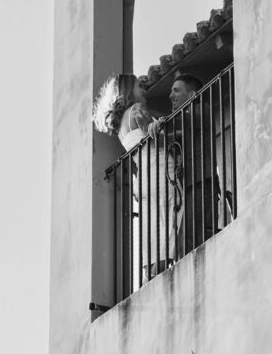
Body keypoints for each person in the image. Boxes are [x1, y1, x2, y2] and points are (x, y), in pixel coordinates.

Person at [93, 74, 178, 280]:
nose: (145, 90)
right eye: (140, 86)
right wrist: (166, 129)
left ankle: (152, 269)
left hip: (143, 176)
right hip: (160, 168)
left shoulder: (121, 126)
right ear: (128, 90)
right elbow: (154, 134)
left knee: (152, 221)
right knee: (172, 212)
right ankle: (168, 261)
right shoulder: (137, 110)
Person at [150, 73, 217, 257]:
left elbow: (186, 120)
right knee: (188, 240)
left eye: (176, 90)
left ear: (193, 94)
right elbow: (173, 140)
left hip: (203, 182)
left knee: (189, 240)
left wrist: (164, 120)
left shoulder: (203, 108)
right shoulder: (185, 120)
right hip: (191, 187)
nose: (171, 95)